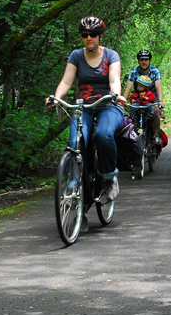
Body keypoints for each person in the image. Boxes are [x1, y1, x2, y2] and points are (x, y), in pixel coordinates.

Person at [46, 16, 126, 201]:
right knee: (75, 143)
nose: (89, 38)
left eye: (93, 34)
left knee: (103, 135)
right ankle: (74, 182)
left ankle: (109, 177)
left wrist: (116, 94)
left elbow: (114, 80)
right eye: (85, 35)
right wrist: (56, 98)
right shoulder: (76, 56)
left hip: (108, 105)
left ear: (100, 36)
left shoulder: (111, 55)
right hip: (84, 107)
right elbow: (67, 81)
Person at [123, 49, 164, 145]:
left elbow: (158, 88)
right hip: (138, 99)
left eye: (146, 59)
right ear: (138, 61)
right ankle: (133, 138)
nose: (144, 62)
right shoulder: (134, 72)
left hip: (152, 99)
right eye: (141, 60)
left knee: (156, 112)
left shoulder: (155, 71)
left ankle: (155, 136)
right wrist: (123, 101)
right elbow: (128, 89)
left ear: (149, 60)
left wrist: (160, 101)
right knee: (133, 117)